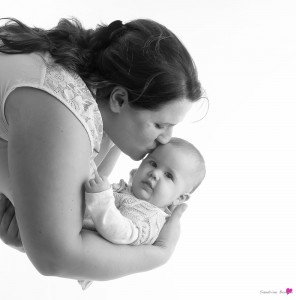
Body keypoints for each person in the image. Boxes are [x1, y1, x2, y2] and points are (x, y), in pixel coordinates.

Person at [0, 17, 203, 282]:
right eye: (160, 125)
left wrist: (37, 235)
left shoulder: (97, 106)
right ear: (119, 99)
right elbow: (57, 257)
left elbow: (80, 214)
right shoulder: (64, 108)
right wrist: (159, 254)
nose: (165, 140)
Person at [79, 137, 206, 289]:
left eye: (169, 175)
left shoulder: (151, 216)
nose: (155, 173)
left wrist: (101, 197)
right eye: (153, 163)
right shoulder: (126, 192)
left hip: (84, 259)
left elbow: (123, 233)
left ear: (180, 197)